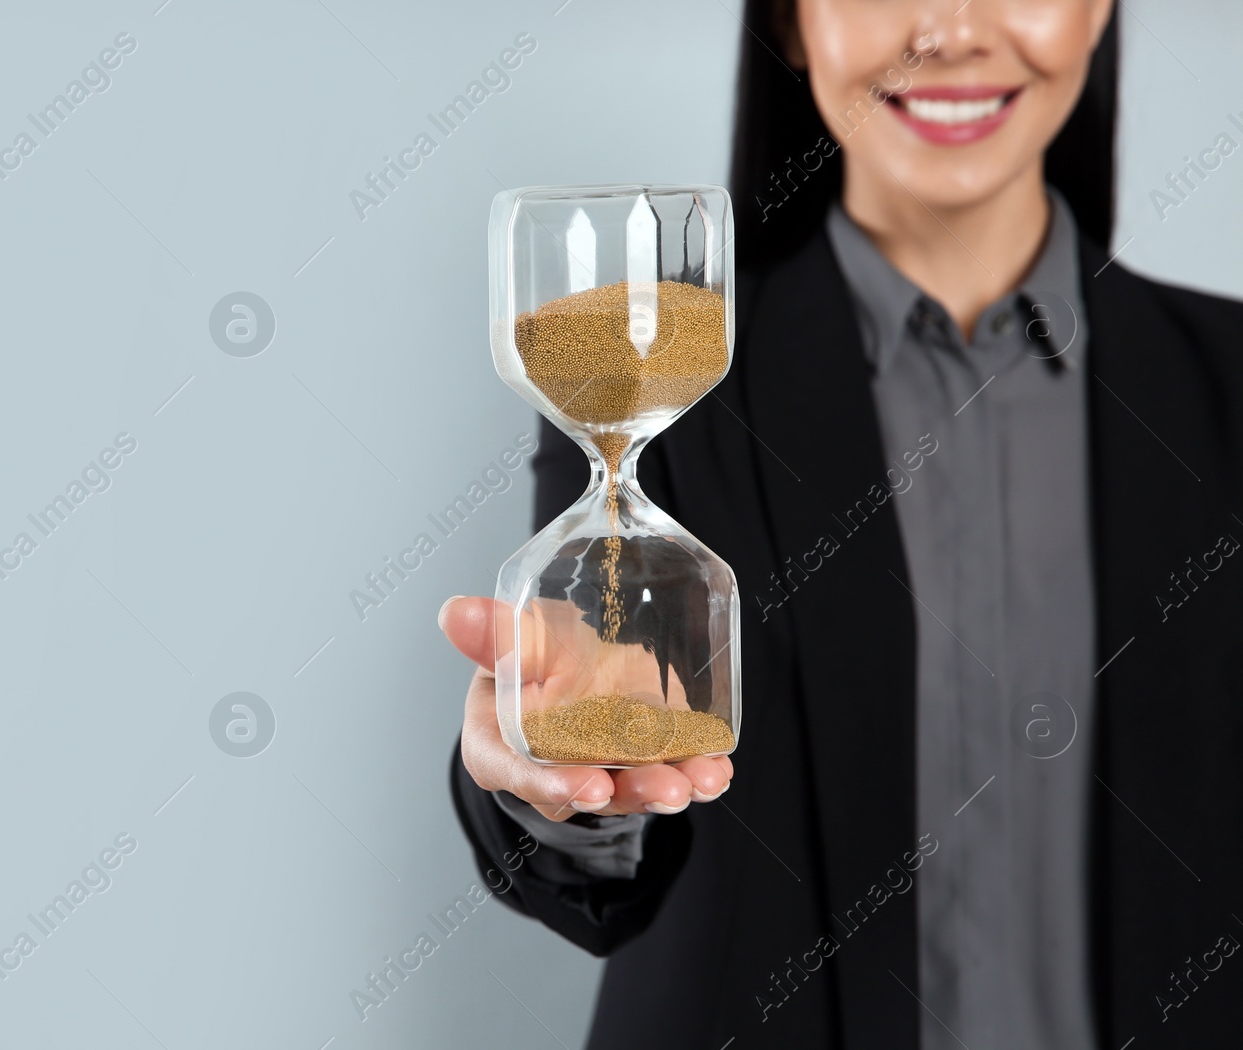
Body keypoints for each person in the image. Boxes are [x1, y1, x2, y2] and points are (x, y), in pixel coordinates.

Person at [444, 1, 1243, 1047]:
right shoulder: (665, 394)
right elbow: (598, 866)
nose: (951, 30)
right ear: (787, 21)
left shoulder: (1222, 386)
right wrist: (564, 783)